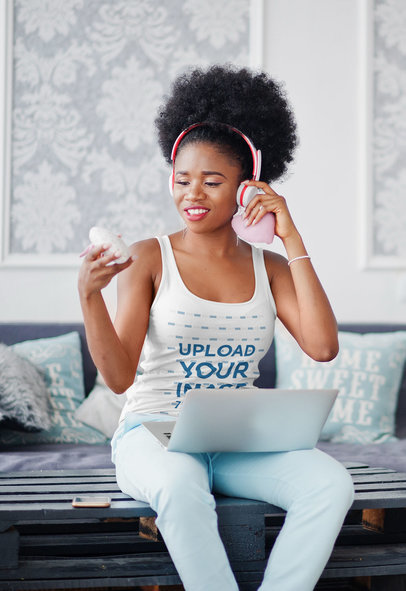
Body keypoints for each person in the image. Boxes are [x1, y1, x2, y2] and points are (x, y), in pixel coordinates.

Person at [78, 65, 354, 591]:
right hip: (154, 435)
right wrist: (89, 295)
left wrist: (290, 235)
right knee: (182, 486)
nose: (192, 194)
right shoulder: (147, 257)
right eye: (182, 179)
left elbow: (321, 346)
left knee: (329, 484)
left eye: (212, 180)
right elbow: (117, 378)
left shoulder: (269, 268)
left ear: (246, 188)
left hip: (235, 439)